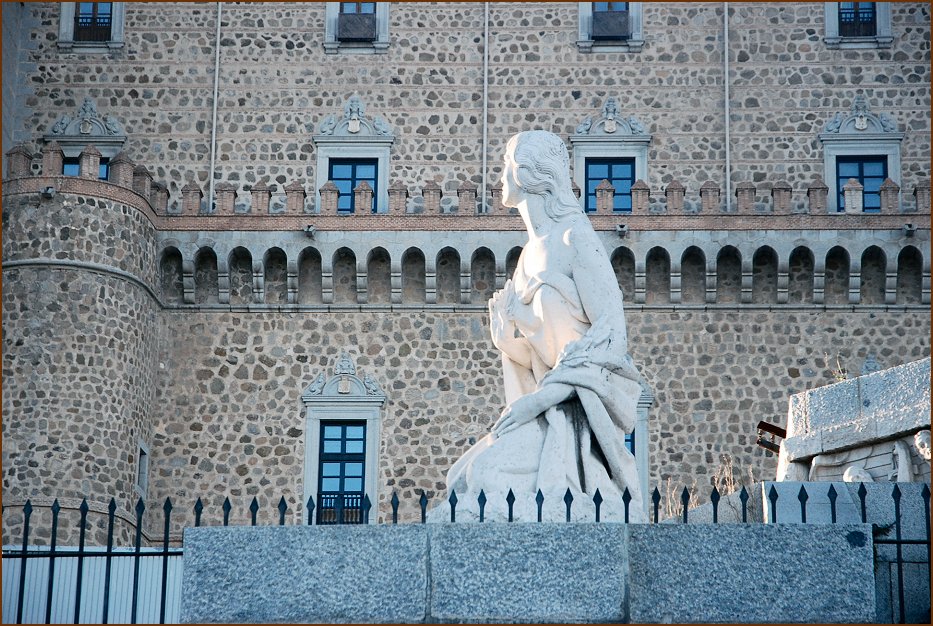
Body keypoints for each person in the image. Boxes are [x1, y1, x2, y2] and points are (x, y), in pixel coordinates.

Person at [437, 130, 645, 522]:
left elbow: (612, 337)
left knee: (485, 477)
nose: (499, 177)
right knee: (459, 479)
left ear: (528, 172)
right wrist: (507, 341)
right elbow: (538, 354)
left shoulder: (575, 237)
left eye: (505, 165)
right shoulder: (527, 257)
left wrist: (544, 399)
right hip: (540, 409)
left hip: (571, 414)